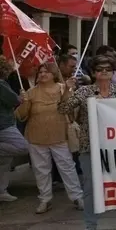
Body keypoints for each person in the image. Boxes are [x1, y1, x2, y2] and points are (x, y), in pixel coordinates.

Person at [57, 55, 116, 230]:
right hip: (89, 146)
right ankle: (91, 225)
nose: (104, 72)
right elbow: (63, 109)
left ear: (113, 72)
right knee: (90, 188)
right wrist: (67, 90)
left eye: (107, 69)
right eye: (99, 69)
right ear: (94, 72)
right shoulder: (84, 91)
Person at [14, 62, 84, 213]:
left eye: (46, 72)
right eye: (40, 72)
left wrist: (68, 89)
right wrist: (23, 101)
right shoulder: (31, 92)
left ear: (54, 74)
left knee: (67, 167)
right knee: (41, 170)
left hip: (59, 135)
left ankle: (77, 197)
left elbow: (70, 107)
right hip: (36, 136)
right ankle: (45, 199)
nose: (42, 74)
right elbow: (21, 115)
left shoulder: (63, 87)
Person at [0, 65, 29, 203]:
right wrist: (21, 97)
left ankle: (1, 190)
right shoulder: (1, 84)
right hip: (4, 124)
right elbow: (14, 100)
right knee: (22, 146)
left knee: (4, 161)